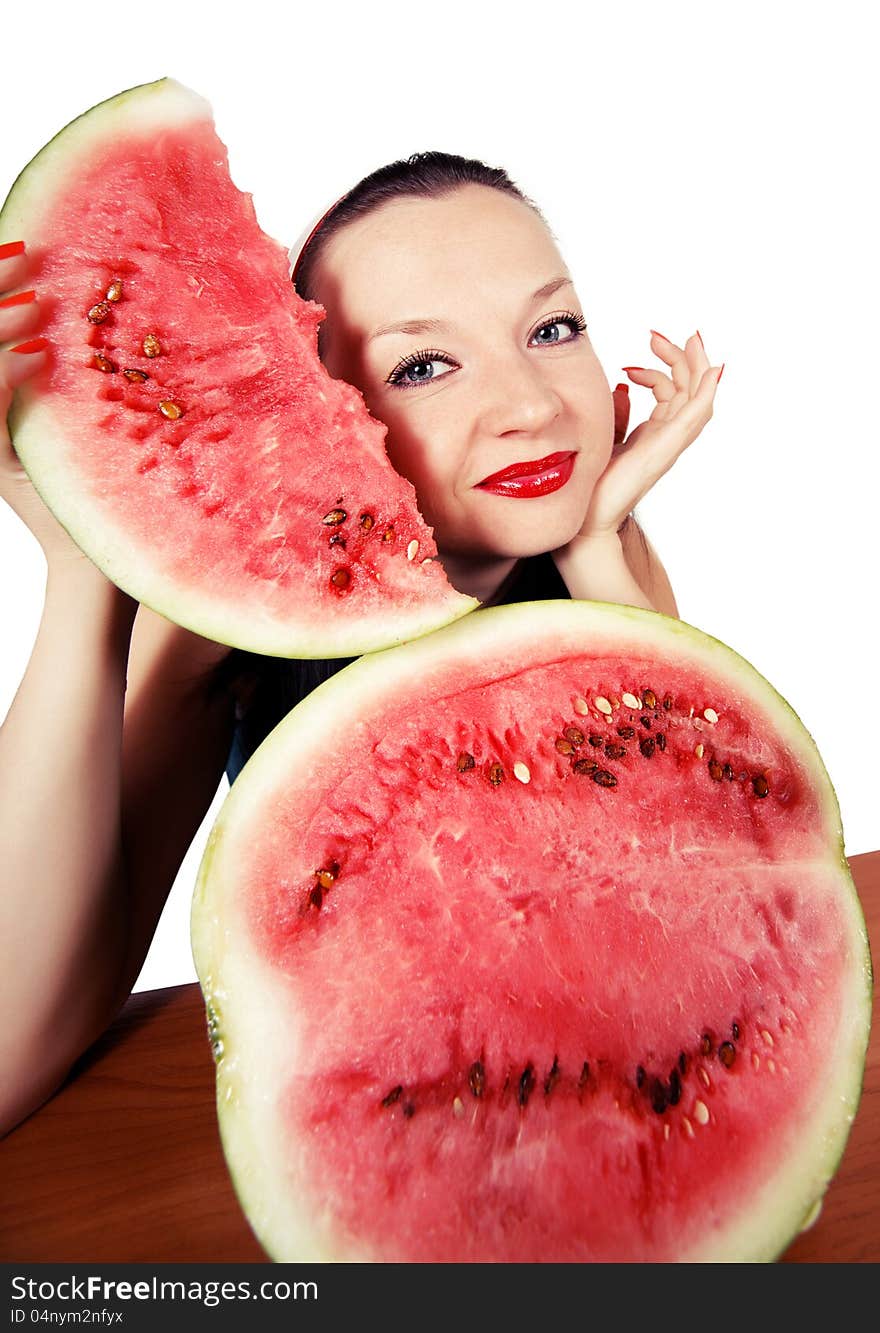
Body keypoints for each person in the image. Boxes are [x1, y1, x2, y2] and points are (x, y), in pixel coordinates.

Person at [0, 153, 721, 1137]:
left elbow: (710, 913)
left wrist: (599, 551)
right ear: (328, 416)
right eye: (422, 364)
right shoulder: (227, 625)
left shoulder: (598, 550)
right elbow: (13, 1045)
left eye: (552, 329)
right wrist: (80, 563)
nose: (532, 406)